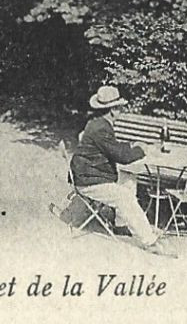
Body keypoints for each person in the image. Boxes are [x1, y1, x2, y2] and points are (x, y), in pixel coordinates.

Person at [70, 85, 171, 256]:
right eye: (119, 108)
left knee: (129, 178)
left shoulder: (97, 123)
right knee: (123, 195)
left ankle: (120, 224)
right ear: (113, 110)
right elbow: (121, 156)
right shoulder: (100, 128)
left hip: (89, 175)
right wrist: (143, 150)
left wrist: (132, 146)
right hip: (88, 181)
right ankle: (149, 241)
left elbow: (112, 147)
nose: (121, 111)